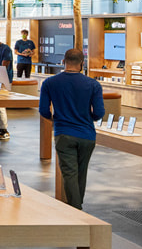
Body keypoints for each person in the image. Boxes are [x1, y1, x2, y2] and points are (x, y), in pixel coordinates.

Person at [39, 48, 105, 210]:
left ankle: (76, 209)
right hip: (87, 135)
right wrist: (87, 118)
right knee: (81, 172)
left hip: (64, 133)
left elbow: (43, 110)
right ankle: (78, 206)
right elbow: (99, 113)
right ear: (82, 63)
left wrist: (56, 119)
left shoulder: (49, 83)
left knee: (69, 173)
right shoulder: (93, 84)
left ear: (63, 62)